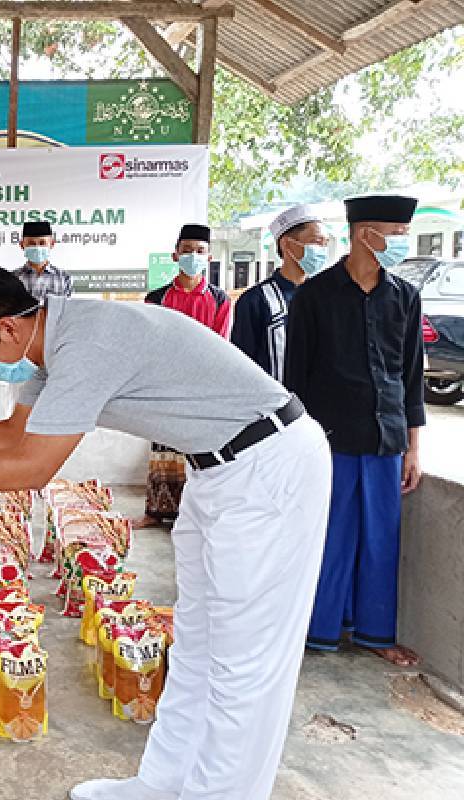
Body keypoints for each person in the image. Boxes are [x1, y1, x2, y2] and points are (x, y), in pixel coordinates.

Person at [0, 263, 332, 800]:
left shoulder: (89, 345)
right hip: (215, 471)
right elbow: (13, 431)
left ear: (7, 327)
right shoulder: (43, 341)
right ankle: (162, 783)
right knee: (197, 643)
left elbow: (31, 467)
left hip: (269, 466)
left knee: (244, 660)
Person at [285, 194, 425, 668]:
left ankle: (375, 633)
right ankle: (318, 629)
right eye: (397, 234)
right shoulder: (314, 296)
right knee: (331, 535)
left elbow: (411, 378)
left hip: (386, 438)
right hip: (330, 441)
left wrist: (413, 447)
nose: (402, 243)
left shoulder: (405, 297)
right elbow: (295, 378)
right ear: (366, 234)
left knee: (383, 538)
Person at [140, 223, 231, 528]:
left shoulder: (220, 300)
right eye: (187, 250)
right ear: (175, 254)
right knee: (162, 447)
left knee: (199, 451)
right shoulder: (157, 298)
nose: (193, 256)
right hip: (164, 383)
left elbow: (221, 345)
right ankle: (156, 512)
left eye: (200, 251)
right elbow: (149, 342)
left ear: (209, 257)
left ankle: (195, 515)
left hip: (203, 386)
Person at [230, 204, 329, 379]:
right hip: (274, 401)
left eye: (325, 243)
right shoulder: (255, 301)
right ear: (286, 244)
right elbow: (242, 365)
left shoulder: (327, 297)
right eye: (315, 241)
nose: (322, 250)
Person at [13, 220, 72, 303]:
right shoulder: (13, 278)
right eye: (31, 243)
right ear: (22, 245)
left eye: (42, 243)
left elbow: (67, 311)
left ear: (52, 244)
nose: (37, 247)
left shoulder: (64, 278)